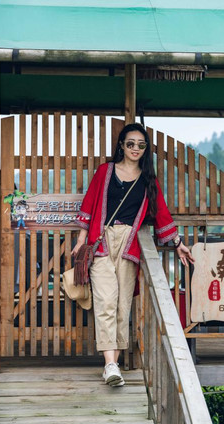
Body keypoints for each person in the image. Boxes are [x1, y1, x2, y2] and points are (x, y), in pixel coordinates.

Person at [73, 123, 193, 387]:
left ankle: (112, 366)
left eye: (140, 145)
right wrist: (81, 240)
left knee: (122, 304)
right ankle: (110, 364)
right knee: (105, 300)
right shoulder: (105, 172)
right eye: (130, 144)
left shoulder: (148, 180)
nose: (135, 149)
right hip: (102, 241)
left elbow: (161, 214)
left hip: (130, 245)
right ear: (121, 145)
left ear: (145, 148)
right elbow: (89, 203)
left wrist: (178, 242)